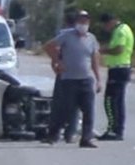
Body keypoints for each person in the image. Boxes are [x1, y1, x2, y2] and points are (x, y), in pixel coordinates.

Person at [42, 10, 102, 148]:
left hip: (86, 80)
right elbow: (48, 46)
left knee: (88, 110)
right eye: (81, 21)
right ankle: (53, 134)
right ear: (76, 23)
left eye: (86, 22)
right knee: (66, 109)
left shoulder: (91, 39)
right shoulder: (67, 36)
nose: (83, 24)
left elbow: (94, 59)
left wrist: (98, 79)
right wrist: (58, 61)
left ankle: (86, 139)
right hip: (69, 80)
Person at [98, 12, 134, 141]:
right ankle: (118, 129)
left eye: (106, 25)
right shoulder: (124, 28)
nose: (105, 28)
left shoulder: (120, 31)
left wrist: (103, 51)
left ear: (111, 21)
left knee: (110, 101)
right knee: (118, 102)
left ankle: (113, 129)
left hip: (118, 69)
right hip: (121, 68)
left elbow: (119, 49)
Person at [52, 10, 80, 143]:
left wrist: (56, 63)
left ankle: (55, 133)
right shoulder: (83, 35)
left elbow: (54, 49)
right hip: (78, 74)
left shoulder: (63, 34)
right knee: (74, 105)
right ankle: (70, 133)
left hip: (64, 72)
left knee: (59, 103)